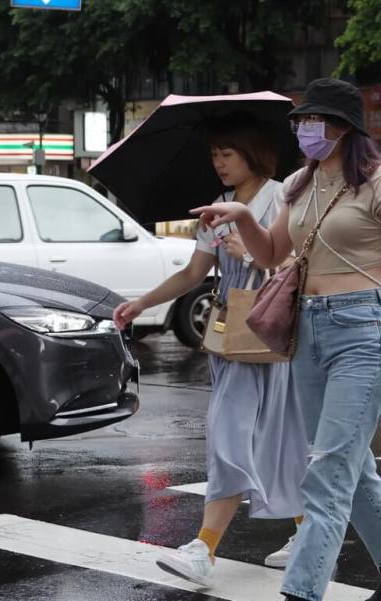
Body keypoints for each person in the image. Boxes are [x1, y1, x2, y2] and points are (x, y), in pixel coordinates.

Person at [191, 78, 381, 601]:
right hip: (307, 331)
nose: (302, 130)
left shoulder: (376, 182)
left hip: (361, 329)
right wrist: (245, 217)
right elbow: (273, 254)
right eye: (299, 121)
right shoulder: (299, 183)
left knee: (325, 473)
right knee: (355, 473)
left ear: (342, 128)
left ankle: (301, 592)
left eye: (312, 121)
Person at [113, 115, 307, 587]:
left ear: (252, 153)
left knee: (256, 439)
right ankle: (306, 532)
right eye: (214, 156)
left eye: (227, 154)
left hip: (272, 332)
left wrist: (249, 251)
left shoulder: (283, 196)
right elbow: (194, 273)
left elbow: (298, 259)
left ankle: (204, 548)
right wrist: (141, 303)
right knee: (255, 439)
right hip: (231, 336)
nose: (219, 164)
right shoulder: (216, 206)